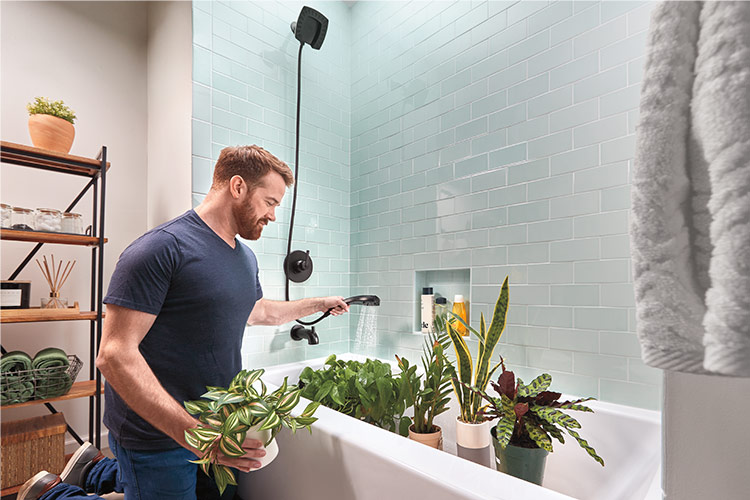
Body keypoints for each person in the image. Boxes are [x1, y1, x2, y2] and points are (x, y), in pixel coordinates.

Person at [18, 145, 349, 500]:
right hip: (158, 435)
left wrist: (319, 304)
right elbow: (114, 355)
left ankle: (97, 470)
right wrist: (195, 436)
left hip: (216, 424)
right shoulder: (161, 249)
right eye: (269, 202)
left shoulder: (244, 258)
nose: (272, 215)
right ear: (237, 187)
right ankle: (50, 495)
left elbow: (257, 311)